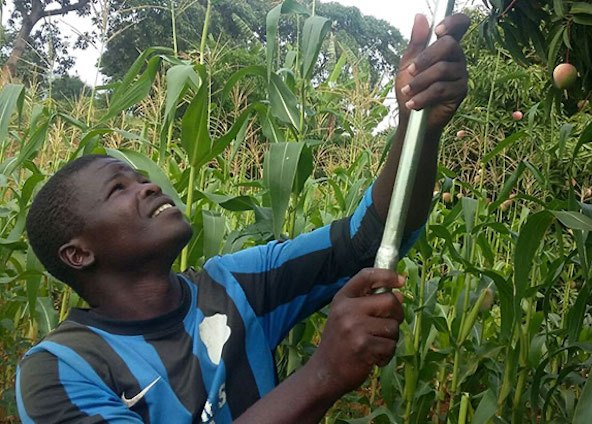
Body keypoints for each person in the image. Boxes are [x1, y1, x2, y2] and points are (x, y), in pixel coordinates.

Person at [16, 13, 469, 424]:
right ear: (78, 254)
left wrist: (417, 130)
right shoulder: (59, 368)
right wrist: (322, 375)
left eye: (141, 178)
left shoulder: (236, 285)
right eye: (120, 188)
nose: (150, 185)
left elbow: (365, 242)